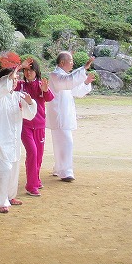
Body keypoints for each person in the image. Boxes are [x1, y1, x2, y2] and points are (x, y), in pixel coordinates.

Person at [0, 56, 36, 213]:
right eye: (13, 78)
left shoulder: (18, 96)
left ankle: (10, 196)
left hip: (14, 140)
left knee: (14, 169)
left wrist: (30, 103)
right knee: (3, 170)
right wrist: (18, 67)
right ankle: (0, 201)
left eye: (17, 79)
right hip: (0, 140)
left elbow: (29, 115)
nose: (15, 81)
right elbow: (3, 84)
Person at [46, 51, 94, 183]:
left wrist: (85, 82)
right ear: (62, 62)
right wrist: (83, 68)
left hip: (64, 114)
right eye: (71, 61)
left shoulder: (64, 77)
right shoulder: (55, 75)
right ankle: (65, 171)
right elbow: (68, 82)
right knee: (66, 142)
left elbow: (75, 91)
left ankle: (59, 168)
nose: (72, 63)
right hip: (59, 115)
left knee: (61, 143)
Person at [16, 58, 54, 196]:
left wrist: (45, 90)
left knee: (38, 155)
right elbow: (7, 81)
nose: (28, 73)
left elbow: (49, 98)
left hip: (39, 126)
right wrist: (19, 67)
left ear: (36, 71)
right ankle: (31, 186)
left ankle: (36, 179)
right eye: (25, 70)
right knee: (32, 152)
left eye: (31, 70)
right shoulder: (20, 85)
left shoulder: (41, 85)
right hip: (25, 125)